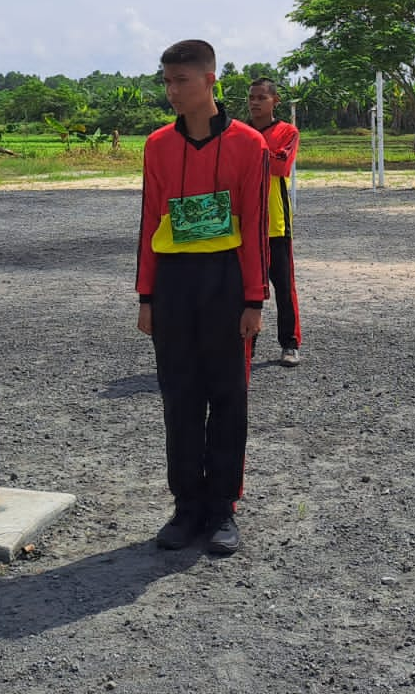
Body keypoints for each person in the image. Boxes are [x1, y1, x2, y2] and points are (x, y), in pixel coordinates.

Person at [136, 40, 268, 555]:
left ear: (211, 80)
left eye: (181, 81)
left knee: (228, 396)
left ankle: (222, 509)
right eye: (166, 82)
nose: (172, 91)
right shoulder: (157, 146)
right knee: (180, 396)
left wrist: (254, 299)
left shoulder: (247, 145)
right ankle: (186, 506)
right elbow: (150, 219)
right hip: (173, 281)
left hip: (225, 281)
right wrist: (146, 295)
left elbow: (256, 225)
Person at [246, 78, 302, 367]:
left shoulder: (287, 132)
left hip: (276, 223)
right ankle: (246, 346)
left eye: (261, 97)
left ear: (275, 101)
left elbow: (280, 165)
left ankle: (289, 344)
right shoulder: (237, 131)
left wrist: (249, 151)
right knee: (245, 288)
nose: (255, 102)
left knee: (283, 285)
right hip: (243, 224)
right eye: (251, 98)